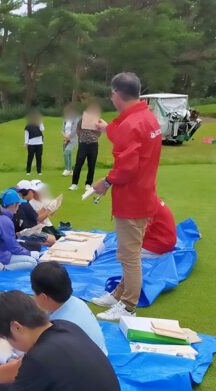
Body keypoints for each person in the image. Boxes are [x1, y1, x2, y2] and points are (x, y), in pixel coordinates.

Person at [90, 72, 162, 320]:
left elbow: (126, 168)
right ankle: (120, 293)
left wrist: (105, 182)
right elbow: (127, 137)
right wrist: (106, 127)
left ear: (116, 95)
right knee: (129, 253)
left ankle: (128, 305)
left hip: (132, 201)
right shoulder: (146, 118)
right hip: (143, 196)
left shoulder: (132, 124)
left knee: (130, 256)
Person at [30, 261, 107, 354]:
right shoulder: (76, 301)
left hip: (88, 364)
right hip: (99, 355)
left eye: (34, 293)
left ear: (43, 297)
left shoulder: (59, 328)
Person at [0, 190, 39, 271]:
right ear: (12, 204)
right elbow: (12, 246)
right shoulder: (5, 220)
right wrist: (29, 253)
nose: (18, 208)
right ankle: (2, 268)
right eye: (18, 205)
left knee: (29, 258)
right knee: (32, 262)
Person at [69, 102, 102, 191]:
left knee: (91, 165)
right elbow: (78, 129)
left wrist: (93, 138)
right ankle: (74, 184)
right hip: (83, 144)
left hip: (93, 145)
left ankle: (88, 184)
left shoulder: (97, 120)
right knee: (78, 164)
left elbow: (100, 131)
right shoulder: (82, 119)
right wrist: (82, 138)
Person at [14, 180, 56, 248]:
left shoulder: (24, 203)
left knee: (51, 238)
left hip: (23, 231)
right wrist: (49, 210)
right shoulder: (25, 204)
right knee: (52, 239)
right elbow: (39, 218)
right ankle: (29, 243)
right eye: (32, 191)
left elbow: (34, 214)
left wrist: (46, 209)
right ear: (27, 192)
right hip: (25, 232)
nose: (33, 194)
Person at [24, 111, 45, 176]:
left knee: (39, 157)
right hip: (31, 144)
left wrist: (40, 122)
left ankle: (39, 171)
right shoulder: (28, 126)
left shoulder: (39, 124)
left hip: (39, 143)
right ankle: (28, 171)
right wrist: (26, 143)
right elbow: (26, 135)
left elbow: (42, 129)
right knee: (30, 157)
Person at [62, 103, 79, 176]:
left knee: (67, 152)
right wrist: (66, 138)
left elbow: (75, 130)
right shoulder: (66, 119)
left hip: (73, 139)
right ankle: (70, 170)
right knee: (67, 154)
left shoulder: (76, 119)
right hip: (65, 138)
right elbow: (62, 130)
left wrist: (68, 138)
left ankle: (67, 170)